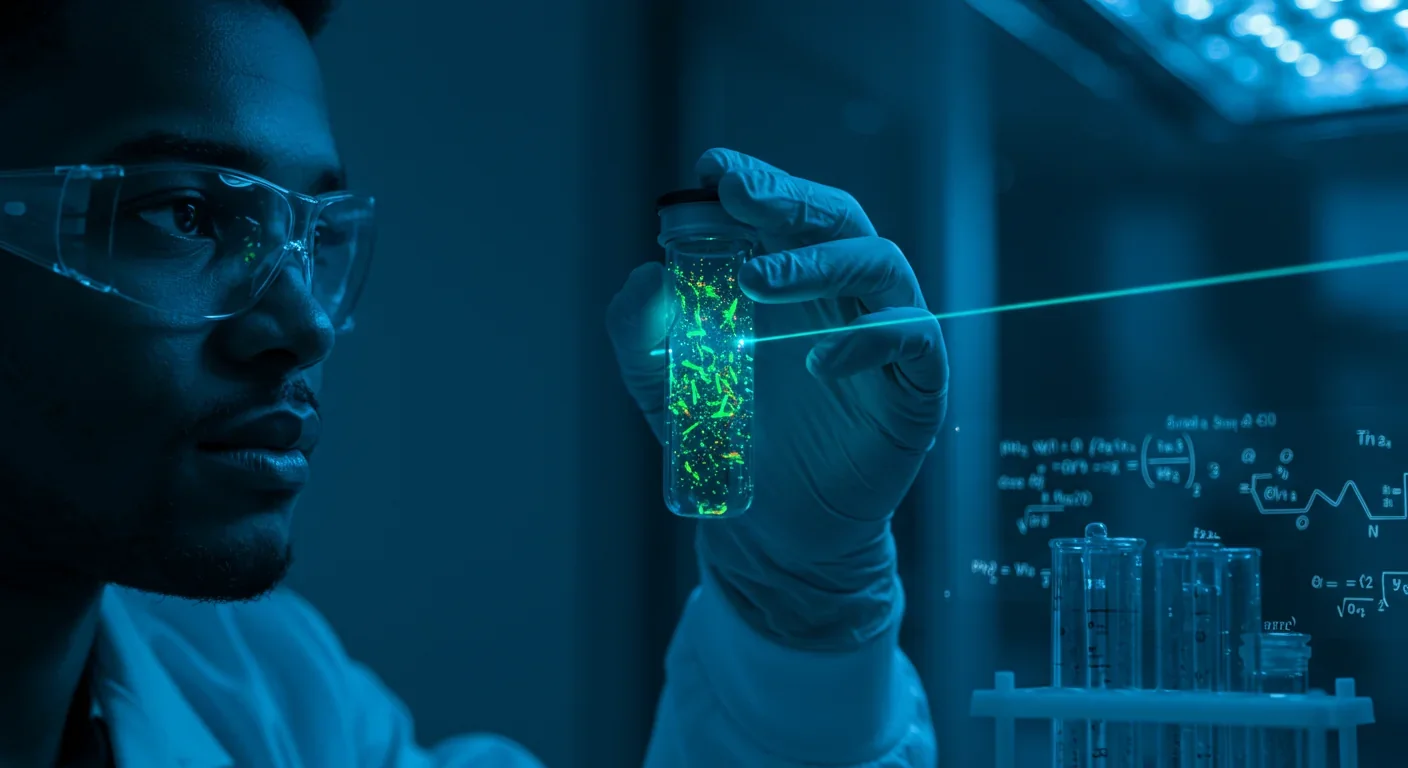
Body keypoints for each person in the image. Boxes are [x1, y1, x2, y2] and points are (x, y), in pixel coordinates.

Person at [0, 0, 950, 766]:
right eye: (185, 213)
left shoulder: (273, 700)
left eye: (316, 235)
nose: (304, 325)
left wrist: (798, 595)